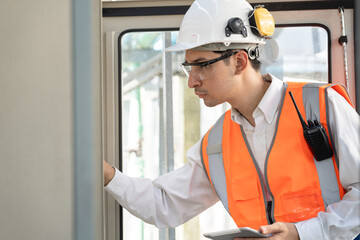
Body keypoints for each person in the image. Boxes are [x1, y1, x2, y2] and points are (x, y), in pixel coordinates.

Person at [104, 0, 360, 239]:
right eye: (189, 67)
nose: (192, 81)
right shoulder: (217, 143)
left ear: (239, 61)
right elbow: (164, 205)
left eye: (202, 65)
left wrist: (302, 232)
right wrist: (102, 171)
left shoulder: (321, 105)